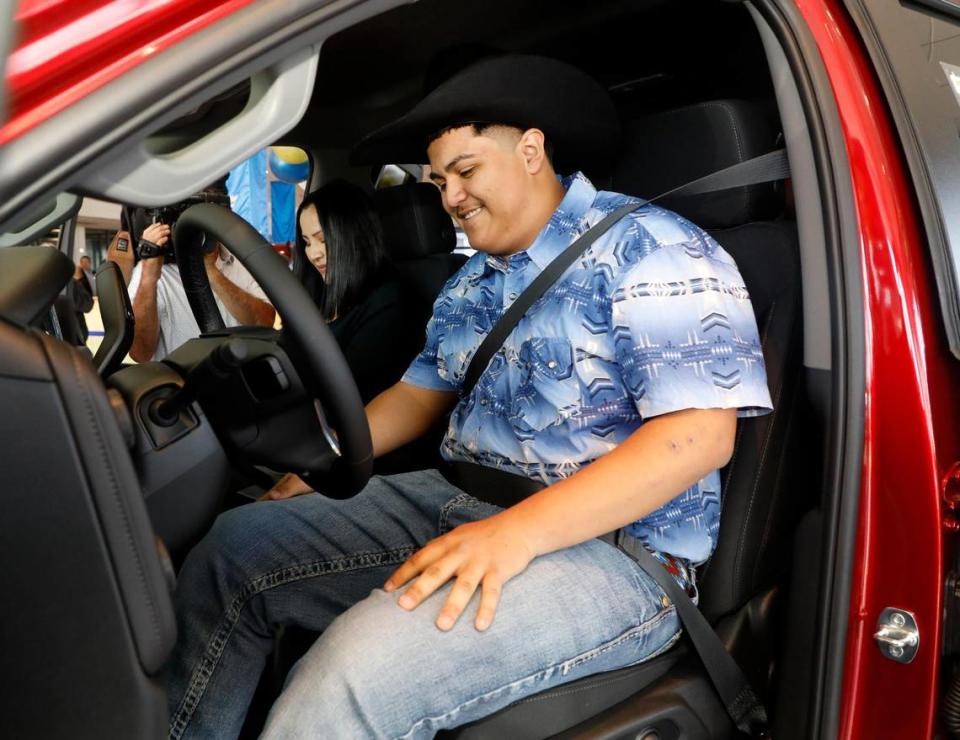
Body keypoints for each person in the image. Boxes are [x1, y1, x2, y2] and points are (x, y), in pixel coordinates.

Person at [166, 55, 773, 739]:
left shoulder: (655, 249)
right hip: (457, 501)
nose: (450, 196)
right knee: (232, 551)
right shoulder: (471, 282)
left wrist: (515, 533)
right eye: (439, 181)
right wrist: (322, 462)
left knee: (357, 671)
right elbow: (417, 396)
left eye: (466, 171)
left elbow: (697, 437)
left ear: (532, 150)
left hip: (611, 553)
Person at [293, 179, 423, 403]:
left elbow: (344, 391)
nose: (314, 253)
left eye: (322, 239)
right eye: (306, 242)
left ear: (352, 236)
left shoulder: (388, 303)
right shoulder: (323, 291)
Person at [126, 200, 276, 363]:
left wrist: (210, 271)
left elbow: (265, 323)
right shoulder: (149, 271)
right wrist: (149, 277)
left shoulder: (241, 262)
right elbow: (140, 353)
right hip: (183, 383)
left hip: (240, 376)